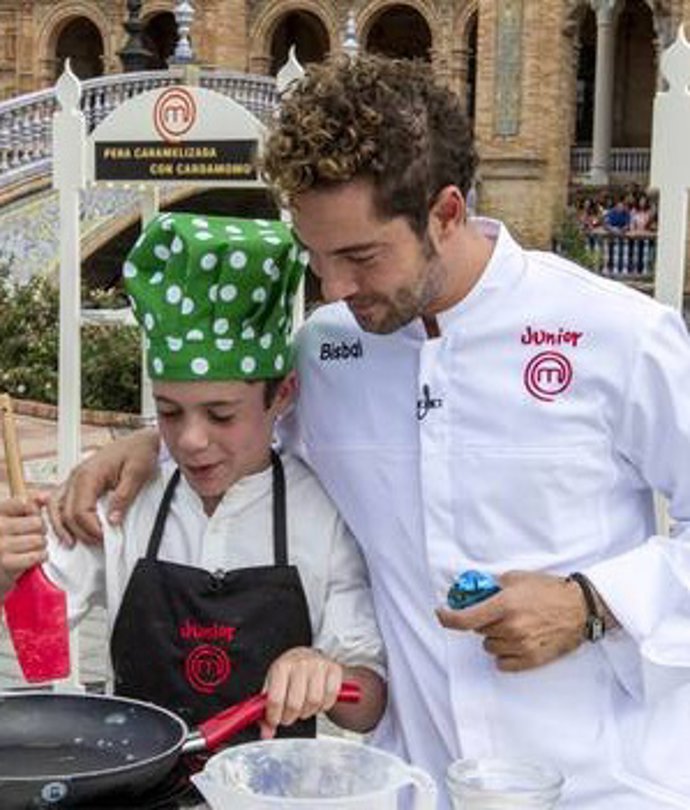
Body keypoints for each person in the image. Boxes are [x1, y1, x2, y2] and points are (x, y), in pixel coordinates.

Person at [47, 55, 690, 809]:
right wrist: (146, 444)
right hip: (413, 780)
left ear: (446, 214)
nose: (335, 289)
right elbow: (246, 442)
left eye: (359, 256)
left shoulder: (616, 335)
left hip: (601, 783)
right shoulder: (328, 349)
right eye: (317, 258)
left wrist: (591, 602)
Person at [0, 212, 386, 744]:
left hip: (266, 795)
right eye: (169, 412)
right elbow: (39, 630)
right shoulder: (125, 499)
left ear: (283, 394)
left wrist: (327, 673)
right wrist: (8, 573)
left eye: (221, 414)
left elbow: (367, 702)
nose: (190, 441)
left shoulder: (321, 510)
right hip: (133, 784)